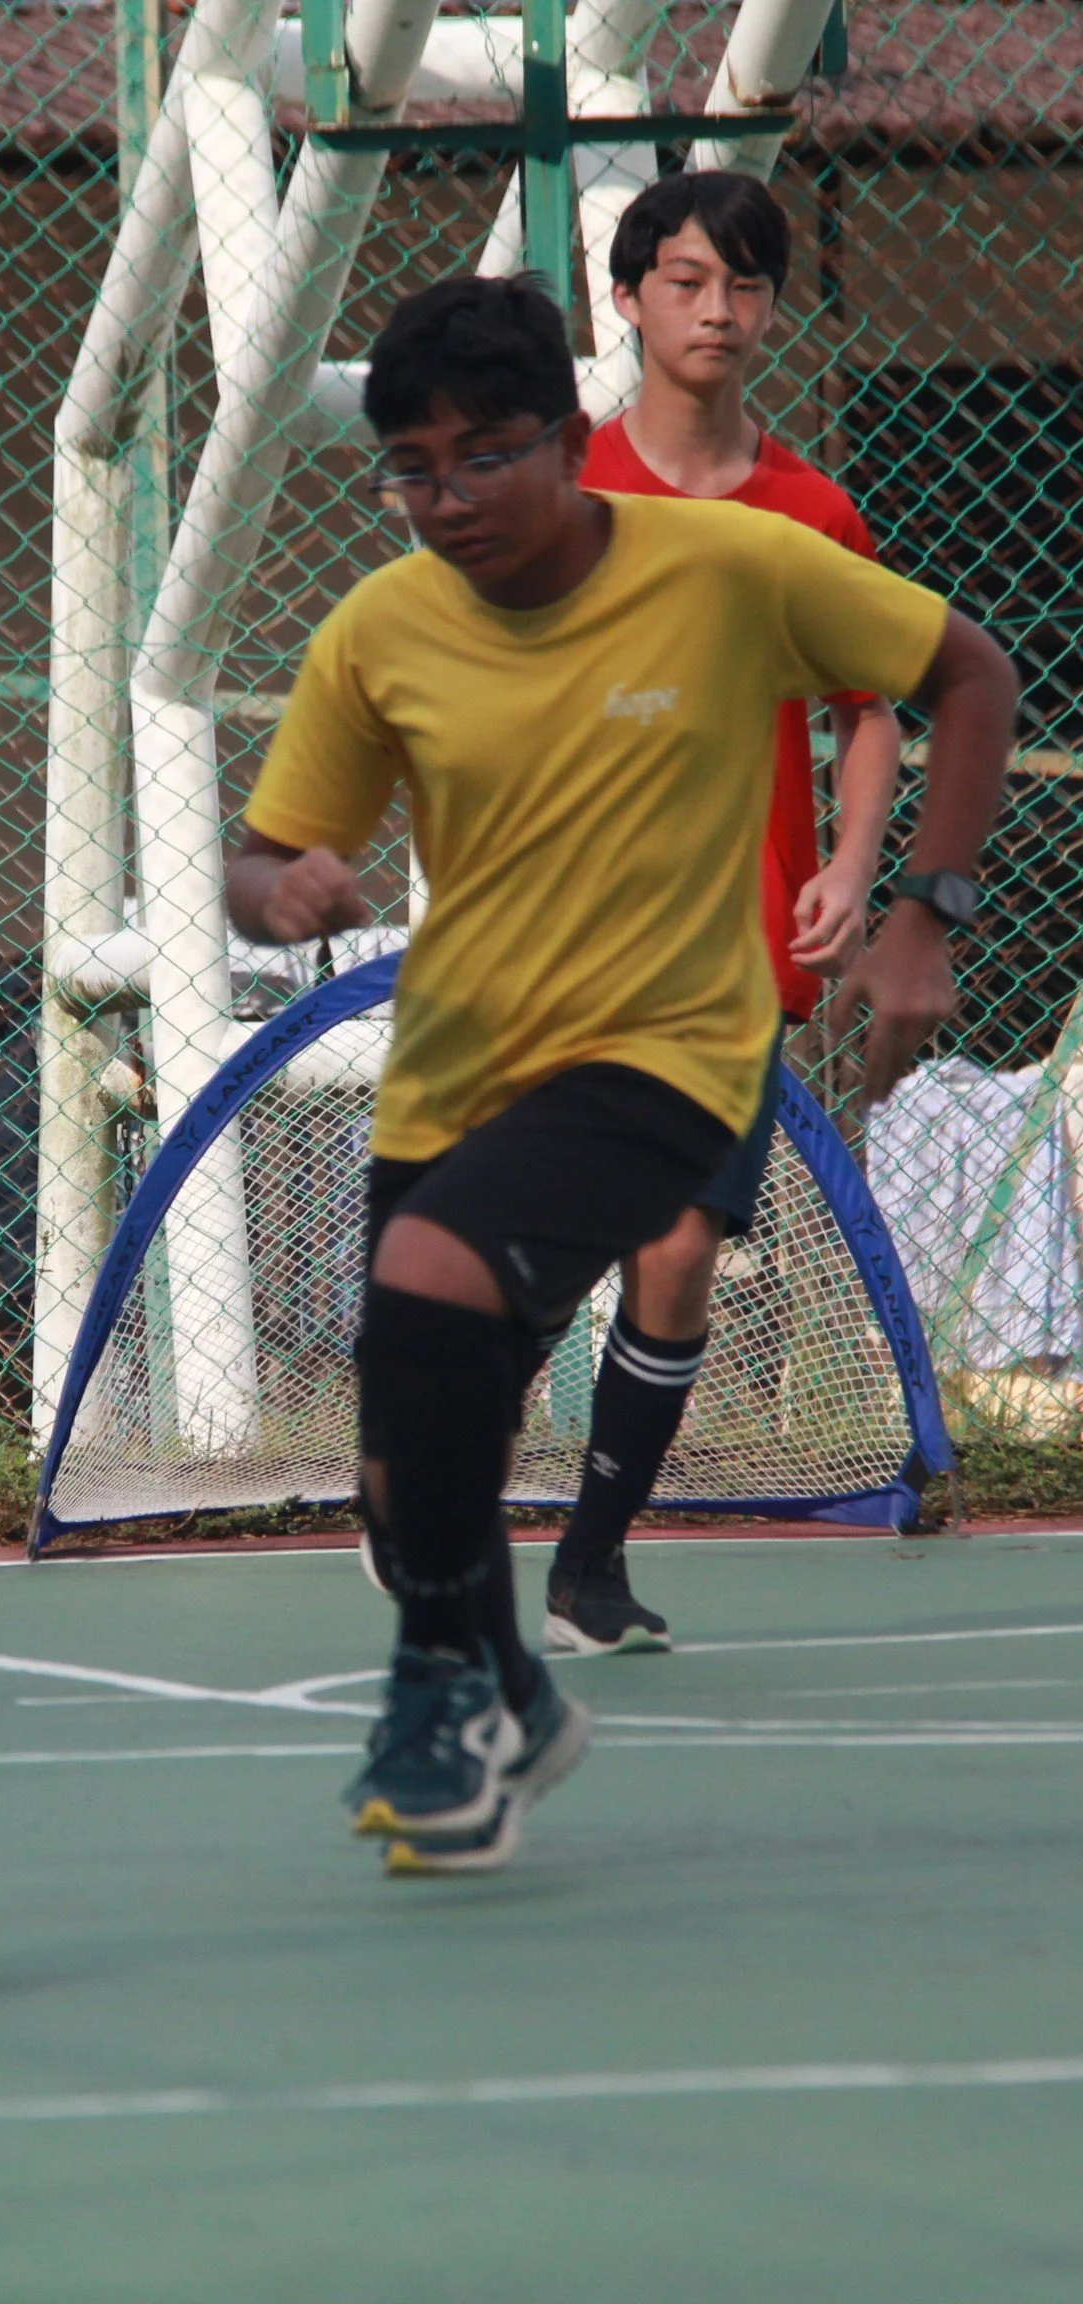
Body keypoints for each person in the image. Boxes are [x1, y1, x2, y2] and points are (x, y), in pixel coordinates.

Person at [227, 273, 1011, 1876]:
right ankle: (510, 1674)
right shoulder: (379, 633)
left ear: (571, 442)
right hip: (455, 1074)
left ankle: (440, 1697)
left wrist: (926, 911)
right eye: (414, 468)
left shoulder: (731, 570)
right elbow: (260, 855)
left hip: (667, 1053)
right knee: (407, 1491)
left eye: (487, 455)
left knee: (434, 1281)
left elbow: (972, 676)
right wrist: (284, 885)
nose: (450, 499)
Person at [543, 169, 907, 1656]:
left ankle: (589, 1565)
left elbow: (871, 711)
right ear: (624, 302)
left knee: (683, 1247)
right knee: (539, 1232)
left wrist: (849, 865)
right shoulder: (559, 486)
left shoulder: (811, 509)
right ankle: (416, 1467)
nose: (717, 308)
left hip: (733, 947)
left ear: (769, 307)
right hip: (561, 936)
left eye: (743, 283)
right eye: (685, 280)